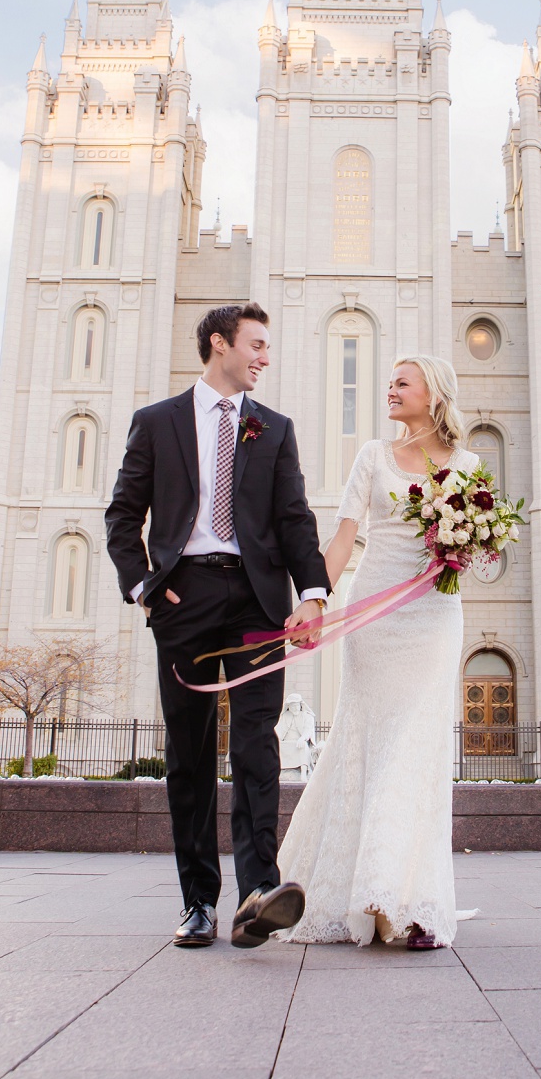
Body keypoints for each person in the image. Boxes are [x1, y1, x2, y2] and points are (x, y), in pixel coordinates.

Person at [104, 303, 329, 950]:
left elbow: (294, 520)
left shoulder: (274, 430)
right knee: (190, 752)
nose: (264, 356)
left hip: (259, 602)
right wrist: (146, 587)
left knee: (257, 742)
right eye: (256, 344)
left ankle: (258, 892)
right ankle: (198, 900)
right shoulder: (157, 423)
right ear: (219, 344)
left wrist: (311, 593)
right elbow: (123, 515)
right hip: (185, 597)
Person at [276, 355, 470, 950]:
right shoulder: (372, 457)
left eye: (402, 382)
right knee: (371, 743)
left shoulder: (469, 466)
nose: (390, 390)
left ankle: (404, 898)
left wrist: (466, 548)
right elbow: (341, 539)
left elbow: (471, 556)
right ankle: (375, 895)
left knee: (417, 747)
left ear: (434, 394)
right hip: (374, 619)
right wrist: (314, 601)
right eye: (388, 382)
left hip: (434, 619)